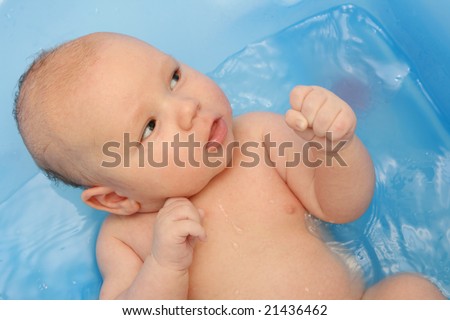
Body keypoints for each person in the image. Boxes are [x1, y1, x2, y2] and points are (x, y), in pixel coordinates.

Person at [13, 32, 445, 300]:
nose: (187, 106)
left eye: (174, 77)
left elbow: (342, 206)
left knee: (413, 294)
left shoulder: (259, 135)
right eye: (148, 126)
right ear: (114, 197)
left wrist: (338, 146)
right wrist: (165, 267)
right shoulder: (128, 240)